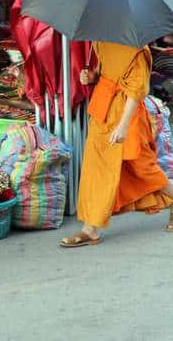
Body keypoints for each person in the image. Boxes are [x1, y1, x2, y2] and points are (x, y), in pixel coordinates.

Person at [61, 41, 173, 248]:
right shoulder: (101, 40)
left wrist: (122, 126)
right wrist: (92, 77)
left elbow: (137, 90)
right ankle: (90, 229)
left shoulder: (138, 49)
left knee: (143, 169)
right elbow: (102, 71)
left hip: (127, 116)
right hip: (102, 111)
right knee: (96, 170)